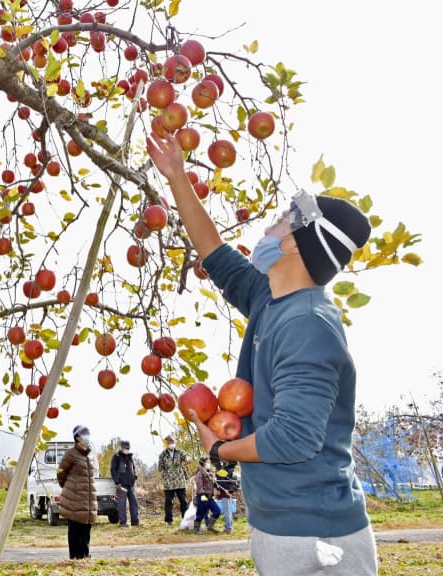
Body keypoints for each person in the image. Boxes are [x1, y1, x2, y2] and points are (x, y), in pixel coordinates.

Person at [147, 132, 378, 574]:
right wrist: (177, 177)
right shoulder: (270, 299)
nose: (270, 227)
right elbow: (214, 252)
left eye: (281, 221)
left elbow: (293, 439)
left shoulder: (308, 325)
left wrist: (217, 452)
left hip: (315, 536)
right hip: (289, 527)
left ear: (295, 243)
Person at [57, 425, 98, 560]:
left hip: (87, 497)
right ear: (77, 437)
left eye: (88, 434)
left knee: (86, 527)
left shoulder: (88, 455)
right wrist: (67, 486)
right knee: (75, 528)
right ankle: (75, 556)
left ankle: (85, 555)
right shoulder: (71, 453)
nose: (87, 437)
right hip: (75, 497)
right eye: (84, 434)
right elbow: (60, 471)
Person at [158, 434, 190, 525]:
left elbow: (186, 457)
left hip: (180, 481)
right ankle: (169, 520)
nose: (172, 443)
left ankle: (185, 519)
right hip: (169, 483)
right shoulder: (162, 455)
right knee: (168, 502)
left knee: (183, 501)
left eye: (173, 441)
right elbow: (160, 468)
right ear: (166, 443)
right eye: (170, 442)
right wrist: (166, 476)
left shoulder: (179, 452)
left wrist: (188, 459)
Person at [110, 440, 139, 527]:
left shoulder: (130, 457)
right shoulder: (116, 457)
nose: (127, 449)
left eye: (128, 448)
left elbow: (133, 468)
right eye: (125, 448)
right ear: (121, 448)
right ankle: (123, 523)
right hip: (121, 485)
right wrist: (117, 482)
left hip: (131, 485)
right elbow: (113, 470)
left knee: (134, 503)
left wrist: (134, 476)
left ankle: (135, 522)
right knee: (122, 504)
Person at [192, 457, 221, 534]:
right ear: (203, 463)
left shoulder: (210, 473)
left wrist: (215, 483)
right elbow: (199, 484)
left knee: (217, 511)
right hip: (202, 497)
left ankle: (210, 527)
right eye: (208, 462)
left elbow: (214, 484)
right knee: (200, 514)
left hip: (210, 497)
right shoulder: (200, 473)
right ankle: (196, 529)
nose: (209, 464)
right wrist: (202, 494)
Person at [213, 460, 239, 534]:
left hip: (225, 492)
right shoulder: (229, 467)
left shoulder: (225, 468)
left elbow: (221, 480)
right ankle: (229, 527)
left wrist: (217, 488)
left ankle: (228, 528)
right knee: (228, 510)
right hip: (227, 491)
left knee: (227, 511)